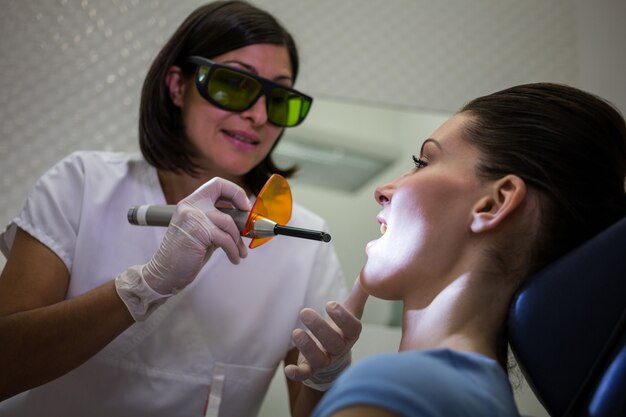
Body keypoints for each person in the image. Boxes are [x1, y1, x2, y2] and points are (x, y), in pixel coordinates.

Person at [0, 2, 352, 416]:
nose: (258, 114)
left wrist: (329, 377)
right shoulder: (82, 184)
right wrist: (143, 286)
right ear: (178, 86)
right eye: (234, 84)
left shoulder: (303, 244)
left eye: (280, 99)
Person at [296, 83, 626, 417]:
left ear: (493, 204)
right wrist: (324, 382)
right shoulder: (474, 393)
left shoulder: (405, 388)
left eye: (422, 162)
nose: (382, 190)